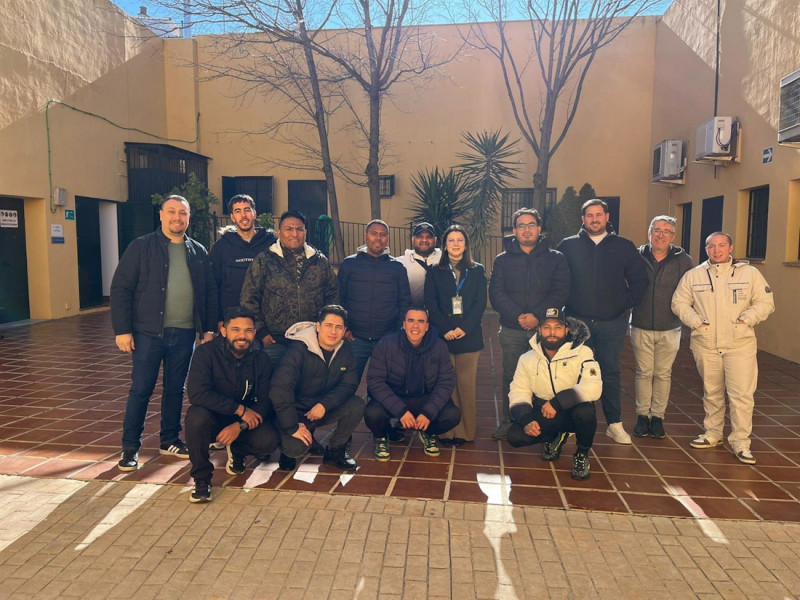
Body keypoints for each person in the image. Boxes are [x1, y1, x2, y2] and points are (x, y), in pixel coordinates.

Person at [110, 195, 218, 472]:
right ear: (161, 215)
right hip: (147, 334)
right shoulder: (141, 247)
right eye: (171, 212)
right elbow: (121, 288)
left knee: (175, 390)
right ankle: (130, 448)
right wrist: (122, 330)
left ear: (188, 218)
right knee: (141, 390)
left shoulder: (198, 251)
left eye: (182, 213)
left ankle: (169, 439)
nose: (177, 218)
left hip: (183, 334)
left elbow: (208, 293)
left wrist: (207, 328)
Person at [672, 232, 774, 464]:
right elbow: (678, 302)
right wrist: (697, 322)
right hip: (705, 343)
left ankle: (740, 442)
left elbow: (766, 302)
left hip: (740, 344)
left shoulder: (749, 274)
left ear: (730, 248)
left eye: (721, 245)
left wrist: (745, 320)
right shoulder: (694, 275)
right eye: (711, 246)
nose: (716, 250)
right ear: (705, 249)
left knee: (741, 396)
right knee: (712, 392)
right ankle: (712, 433)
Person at [557, 199, 648, 445]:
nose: (594, 219)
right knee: (572, 371)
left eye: (599, 215)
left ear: (607, 217)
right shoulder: (568, 246)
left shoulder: (624, 246)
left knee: (610, 371)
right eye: (589, 215)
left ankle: (614, 424)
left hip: (612, 322)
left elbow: (640, 281)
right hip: (577, 321)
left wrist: (622, 302)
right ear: (582, 219)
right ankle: (571, 423)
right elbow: (558, 280)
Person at [488, 208, 570, 440]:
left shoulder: (556, 258)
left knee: (546, 375)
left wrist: (537, 316)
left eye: (531, 224)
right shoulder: (502, 260)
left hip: (545, 330)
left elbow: (561, 291)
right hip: (512, 329)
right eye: (521, 225)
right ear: (514, 231)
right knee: (512, 375)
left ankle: (545, 422)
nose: (527, 229)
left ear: (539, 228)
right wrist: (518, 316)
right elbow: (496, 293)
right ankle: (510, 419)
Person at [184, 307, 280, 503]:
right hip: (214, 416)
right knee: (196, 417)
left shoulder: (260, 358)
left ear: (254, 332)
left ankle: (237, 450)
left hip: (243, 421)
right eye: (236, 329)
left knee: (268, 441)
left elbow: (265, 401)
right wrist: (239, 410)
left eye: (248, 330)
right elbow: (197, 393)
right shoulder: (205, 353)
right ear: (224, 331)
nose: (242, 336)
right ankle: (202, 479)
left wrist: (239, 425)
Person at [507, 307, 602, 480]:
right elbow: (519, 390)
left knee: (586, 412)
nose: (552, 332)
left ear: (566, 330)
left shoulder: (583, 352)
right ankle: (555, 436)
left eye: (557, 327)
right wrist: (526, 419)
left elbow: (594, 386)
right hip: (545, 411)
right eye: (546, 327)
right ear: (539, 330)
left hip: (573, 411)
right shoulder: (527, 358)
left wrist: (558, 402)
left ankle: (581, 455)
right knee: (515, 436)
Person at [269, 305, 364, 471]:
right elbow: (280, 390)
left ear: (344, 330)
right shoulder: (298, 349)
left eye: (338, 327)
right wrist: (292, 426)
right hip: (297, 413)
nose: (333, 332)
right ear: (318, 326)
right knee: (295, 449)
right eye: (328, 325)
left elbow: (349, 384)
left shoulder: (345, 349)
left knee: (356, 405)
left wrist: (324, 405)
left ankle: (335, 450)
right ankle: (288, 450)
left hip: (321, 409)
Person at [240, 210, 338, 367]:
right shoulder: (264, 261)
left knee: (307, 387)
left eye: (299, 229)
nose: (294, 233)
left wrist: (324, 330)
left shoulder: (320, 261)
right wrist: (261, 331)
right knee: (274, 386)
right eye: (289, 229)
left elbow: (333, 295)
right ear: (279, 233)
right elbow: (248, 298)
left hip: (311, 339)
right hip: (274, 340)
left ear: (305, 232)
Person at [365, 307, 461, 461]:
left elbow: (446, 381)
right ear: (404, 324)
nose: (415, 326)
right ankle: (382, 437)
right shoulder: (386, 344)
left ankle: (428, 433)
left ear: (427, 326)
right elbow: (375, 381)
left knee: (453, 415)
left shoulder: (439, 346)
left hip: (424, 399)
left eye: (420, 321)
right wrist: (400, 411)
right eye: (411, 321)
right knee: (372, 413)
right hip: (395, 397)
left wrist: (428, 412)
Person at [630, 216, 694, 439]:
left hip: (670, 327)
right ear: (649, 233)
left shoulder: (684, 261)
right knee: (644, 373)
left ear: (673, 236)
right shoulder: (636, 256)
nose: (661, 234)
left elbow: (693, 290)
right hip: (640, 325)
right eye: (656, 230)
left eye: (666, 231)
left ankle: (657, 417)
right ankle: (642, 416)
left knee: (663, 374)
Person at [424, 224, 487, 445]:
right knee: (446, 385)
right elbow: (430, 302)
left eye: (460, 240)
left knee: (466, 385)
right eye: (451, 240)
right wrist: (446, 330)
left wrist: (464, 328)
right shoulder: (434, 271)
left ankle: (465, 432)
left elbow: (480, 304)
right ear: (444, 245)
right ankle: (446, 431)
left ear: (466, 244)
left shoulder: (477, 270)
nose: (456, 244)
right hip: (444, 337)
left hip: (469, 337)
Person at [338, 219, 411, 382]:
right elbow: (339, 298)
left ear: (387, 239)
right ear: (366, 237)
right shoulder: (349, 265)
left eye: (383, 235)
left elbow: (404, 302)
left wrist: (397, 333)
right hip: (355, 339)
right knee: (347, 385)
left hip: (386, 339)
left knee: (383, 388)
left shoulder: (397, 267)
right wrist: (345, 327)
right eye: (374, 234)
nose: (378, 238)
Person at [210, 194, 276, 328]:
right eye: (238, 211)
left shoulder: (271, 243)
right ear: (232, 217)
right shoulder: (221, 246)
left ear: (254, 214)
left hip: (266, 323)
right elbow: (213, 286)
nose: (243, 215)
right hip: (231, 320)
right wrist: (217, 319)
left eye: (247, 210)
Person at [398, 222, 441, 305]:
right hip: (413, 315)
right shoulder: (401, 263)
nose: (424, 240)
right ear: (413, 239)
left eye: (429, 237)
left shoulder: (444, 259)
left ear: (435, 240)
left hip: (439, 315)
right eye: (420, 236)